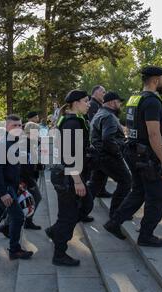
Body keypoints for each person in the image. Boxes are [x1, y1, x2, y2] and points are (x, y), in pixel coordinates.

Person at [104, 66, 162, 248]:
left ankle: (114, 222)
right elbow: (153, 134)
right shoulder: (152, 101)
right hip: (147, 155)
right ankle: (146, 235)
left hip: (133, 151)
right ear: (156, 80)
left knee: (139, 191)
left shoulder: (135, 99)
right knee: (157, 196)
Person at [46, 90, 94, 266]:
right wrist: (78, 180)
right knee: (68, 215)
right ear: (75, 103)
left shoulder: (69, 119)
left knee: (85, 205)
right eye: (85, 101)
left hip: (67, 173)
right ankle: (59, 254)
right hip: (68, 176)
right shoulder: (72, 123)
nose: (88, 104)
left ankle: (55, 230)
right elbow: (69, 154)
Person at [0, 115, 34, 261]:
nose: (18, 128)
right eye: (14, 126)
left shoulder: (15, 142)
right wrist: (3, 193)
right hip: (2, 188)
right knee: (17, 217)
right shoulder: (3, 144)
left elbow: (14, 168)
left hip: (10, 186)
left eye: (20, 125)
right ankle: (15, 250)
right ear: (7, 127)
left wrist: (19, 184)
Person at [88, 92, 132, 219]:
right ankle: (117, 213)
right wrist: (118, 154)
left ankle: (80, 210)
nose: (120, 106)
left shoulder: (100, 113)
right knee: (126, 181)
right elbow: (108, 139)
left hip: (99, 156)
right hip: (108, 156)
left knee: (94, 185)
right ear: (113, 103)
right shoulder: (109, 116)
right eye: (119, 103)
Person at [0, 121, 43, 237]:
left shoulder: (30, 142)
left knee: (20, 201)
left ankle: (17, 223)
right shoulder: (24, 143)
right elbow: (23, 165)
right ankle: (8, 225)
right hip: (24, 178)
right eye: (37, 132)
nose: (39, 135)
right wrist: (26, 181)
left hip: (27, 177)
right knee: (34, 198)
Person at [88, 85, 112, 199]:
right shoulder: (93, 105)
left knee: (101, 169)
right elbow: (95, 123)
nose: (104, 94)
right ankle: (98, 191)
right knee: (99, 169)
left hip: (97, 141)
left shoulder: (97, 105)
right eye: (103, 92)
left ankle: (100, 190)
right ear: (96, 92)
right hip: (96, 142)